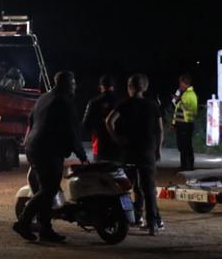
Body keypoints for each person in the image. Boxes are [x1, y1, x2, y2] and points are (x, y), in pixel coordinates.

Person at [14, 71, 88, 243]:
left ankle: (45, 229)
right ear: (67, 84)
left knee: (46, 189)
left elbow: (30, 119)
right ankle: (23, 222)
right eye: (73, 83)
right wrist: (82, 155)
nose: (75, 86)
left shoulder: (44, 97)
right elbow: (71, 131)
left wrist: (30, 139)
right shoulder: (64, 101)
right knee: (49, 189)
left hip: (34, 146)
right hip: (47, 150)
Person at [107, 73, 164, 235]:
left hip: (128, 151)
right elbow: (160, 130)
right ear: (145, 88)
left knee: (124, 187)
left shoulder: (124, 104)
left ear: (129, 87)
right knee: (149, 189)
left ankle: (125, 218)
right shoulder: (153, 105)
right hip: (147, 151)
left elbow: (109, 121)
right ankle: (152, 224)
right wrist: (158, 149)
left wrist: (117, 139)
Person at [81, 75, 121, 162]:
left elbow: (85, 125)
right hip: (118, 144)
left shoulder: (93, 102)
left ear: (100, 87)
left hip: (99, 144)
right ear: (113, 87)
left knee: (100, 172)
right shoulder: (121, 102)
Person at [172, 73, 198, 171]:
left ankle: (189, 166)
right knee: (182, 146)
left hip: (186, 124)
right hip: (180, 124)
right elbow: (178, 109)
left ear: (184, 83)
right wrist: (174, 123)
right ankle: (183, 165)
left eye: (180, 83)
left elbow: (190, 109)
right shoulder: (184, 94)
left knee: (186, 145)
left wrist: (179, 101)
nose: (179, 85)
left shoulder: (191, 95)